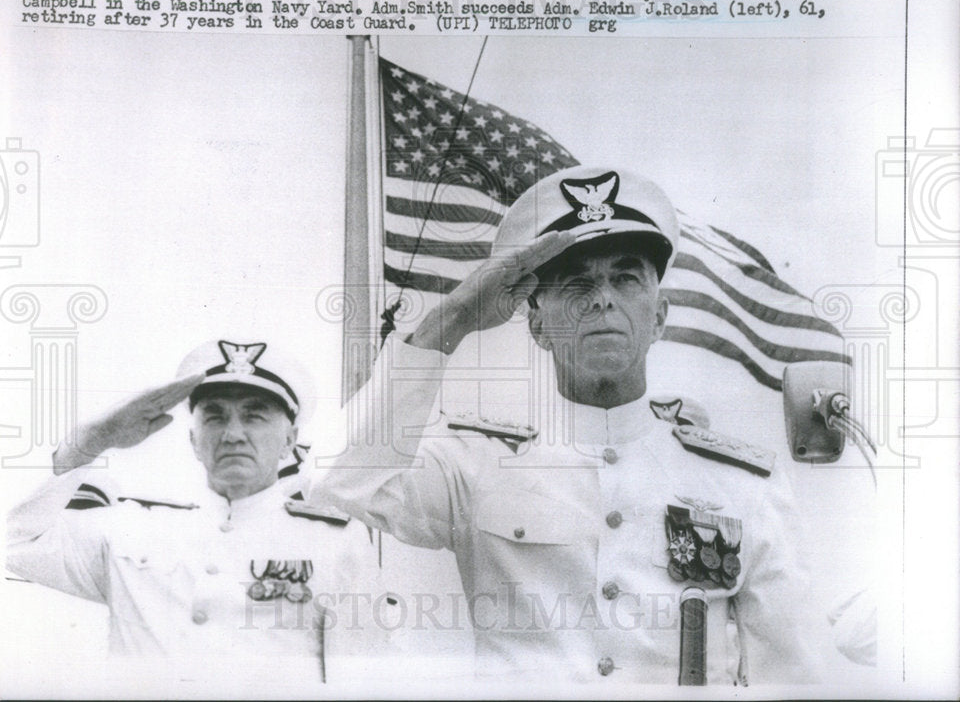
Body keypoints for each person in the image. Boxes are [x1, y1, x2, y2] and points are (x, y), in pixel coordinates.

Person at [309, 166, 822, 684]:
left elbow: (793, 674)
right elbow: (337, 479)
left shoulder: (742, 485)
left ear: (660, 317)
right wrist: (454, 319)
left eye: (626, 277)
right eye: (578, 281)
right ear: (537, 323)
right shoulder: (477, 464)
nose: (602, 299)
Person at [7, 338, 385, 682]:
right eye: (215, 416)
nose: (233, 433)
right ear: (193, 438)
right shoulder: (131, 526)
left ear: (290, 440)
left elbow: (363, 681)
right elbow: (13, 546)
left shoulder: (335, 541)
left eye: (254, 415)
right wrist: (90, 441)